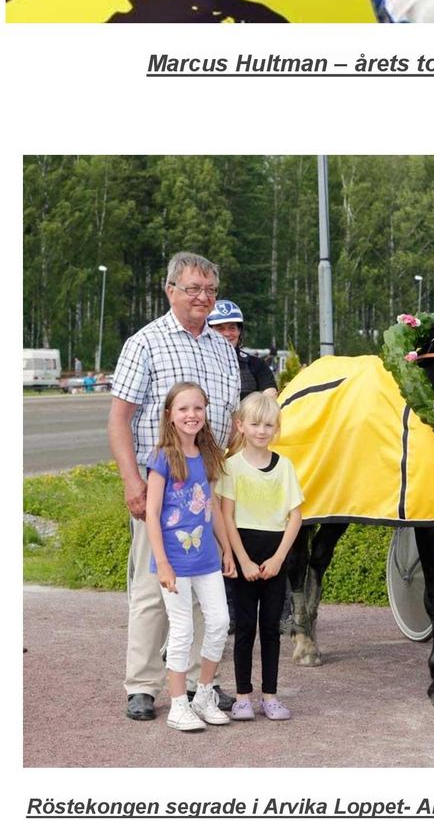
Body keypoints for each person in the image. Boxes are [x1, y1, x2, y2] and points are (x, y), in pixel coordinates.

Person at [108, 251, 241, 721]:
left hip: (207, 492)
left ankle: (205, 685)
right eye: (193, 289)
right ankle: (142, 684)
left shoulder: (225, 349)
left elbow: (229, 422)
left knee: (209, 592)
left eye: (210, 290)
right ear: (170, 290)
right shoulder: (145, 343)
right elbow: (119, 419)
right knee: (153, 589)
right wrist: (132, 482)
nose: (203, 298)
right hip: (159, 492)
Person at [145, 382, 235, 732]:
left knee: (219, 622)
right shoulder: (162, 458)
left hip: (206, 558)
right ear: (170, 414)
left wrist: (226, 548)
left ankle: (204, 693)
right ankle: (178, 705)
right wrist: (163, 562)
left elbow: (211, 505)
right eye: (183, 409)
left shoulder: (209, 455)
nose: (191, 415)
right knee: (181, 630)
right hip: (174, 562)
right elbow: (152, 513)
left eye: (197, 408)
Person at [217, 392, 304, 721]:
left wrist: (280, 558)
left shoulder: (285, 467)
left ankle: (270, 695)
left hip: (274, 554)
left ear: (276, 428)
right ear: (241, 425)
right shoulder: (231, 466)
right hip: (245, 554)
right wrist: (243, 561)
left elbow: (295, 516)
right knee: (244, 629)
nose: (261, 430)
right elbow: (226, 516)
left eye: (268, 425)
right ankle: (242, 696)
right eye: (254, 424)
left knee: (271, 628)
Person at [208, 299, 278, 401]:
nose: (227, 333)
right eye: (220, 329)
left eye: (232, 328)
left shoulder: (257, 365)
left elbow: (270, 397)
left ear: (239, 331)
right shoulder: (199, 363)